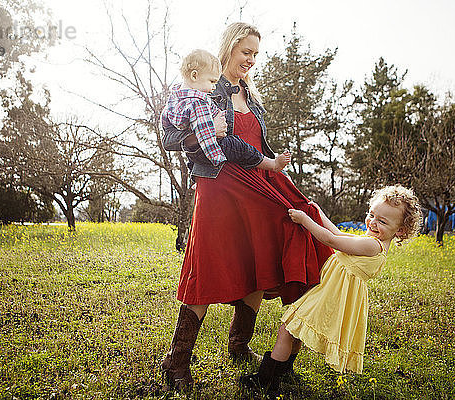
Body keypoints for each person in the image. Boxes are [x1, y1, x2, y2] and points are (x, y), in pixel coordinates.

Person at [161, 22, 332, 391]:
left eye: (255, 54)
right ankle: (177, 361)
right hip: (220, 188)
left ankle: (239, 345)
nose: (251, 60)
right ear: (229, 48)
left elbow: (255, 144)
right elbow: (170, 136)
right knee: (206, 269)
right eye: (245, 52)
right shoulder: (205, 87)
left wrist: (273, 169)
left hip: (255, 186)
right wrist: (208, 134)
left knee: (263, 257)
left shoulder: (249, 94)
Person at [241, 185, 423, 395]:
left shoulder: (373, 247)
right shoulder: (371, 240)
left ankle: (266, 381)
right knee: (295, 331)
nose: (373, 222)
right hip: (328, 292)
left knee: (288, 329)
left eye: (382, 221)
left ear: (400, 230)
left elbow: (331, 240)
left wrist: (305, 220)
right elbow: (337, 232)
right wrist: (319, 213)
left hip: (332, 296)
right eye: (371, 214)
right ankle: (285, 370)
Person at [161, 49, 291, 173]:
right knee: (239, 146)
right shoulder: (197, 102)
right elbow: (206, 138)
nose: (213, 87)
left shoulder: (174, 99)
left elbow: (166, 124)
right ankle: (272, 164)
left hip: (196, 153)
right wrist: (217, 157)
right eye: (212, 81)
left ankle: (194, 177)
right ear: (194, 76)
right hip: (214, 149)